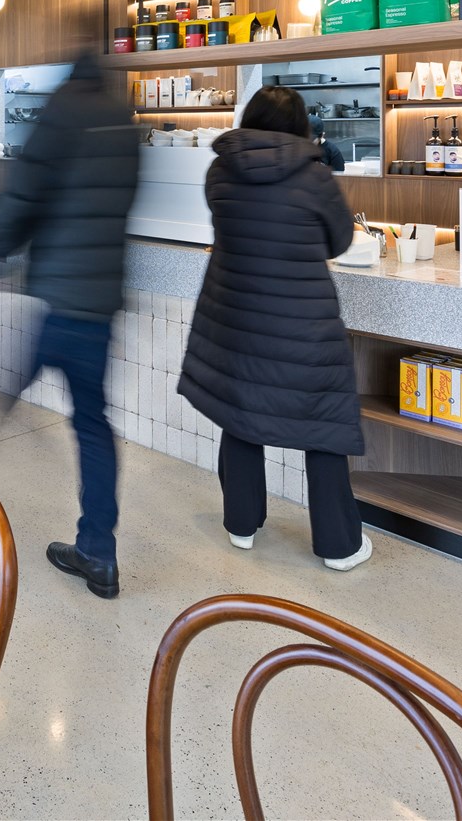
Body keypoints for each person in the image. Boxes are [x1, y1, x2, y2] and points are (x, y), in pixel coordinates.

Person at [180, 86, 371, 571]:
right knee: (323, 424)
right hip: (301, 321)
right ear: (301, 125)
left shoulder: (221, 170)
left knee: (242, 415)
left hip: (236, 315)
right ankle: (339, 547)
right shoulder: (315, 175)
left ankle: (241, 526)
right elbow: (338, 241)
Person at [0, 53, 140, 599]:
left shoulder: (60, 110)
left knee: (6, 384)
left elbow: (27, 192)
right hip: (100, 300)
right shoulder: (123, 120)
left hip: (60, 294)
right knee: (94, 423)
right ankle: (99, 551)